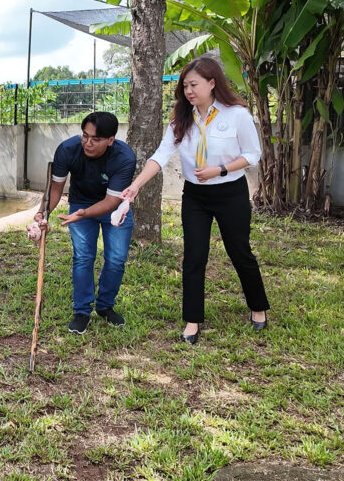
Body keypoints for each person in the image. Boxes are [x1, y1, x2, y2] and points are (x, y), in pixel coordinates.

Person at [120, 57, 269, 345]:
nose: (188, 91)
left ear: (212, 83)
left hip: (230, 193)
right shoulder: (181, 119)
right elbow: (161, 156)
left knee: (240, 252)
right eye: (185, 85)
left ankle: (258, 307)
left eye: (194, 84)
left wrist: (220, 169)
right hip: (196, 197)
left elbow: (253, 154)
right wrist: (135, 186)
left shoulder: (237, 115)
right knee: (194, 257)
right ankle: (192, 320)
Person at [32, 111, 136, 334]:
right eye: (85, 136)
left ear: (110, 140)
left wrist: (83, 214)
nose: (88, 143)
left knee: (116, 259)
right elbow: (56, 189)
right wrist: (43, 213)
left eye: (96, 139)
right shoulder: (68, 150)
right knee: (83, 257)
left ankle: (105, 306)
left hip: (114, 208)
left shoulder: (124, 157)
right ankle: (82, 310)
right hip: (79, 202)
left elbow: (110, 202)